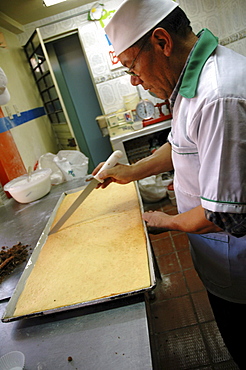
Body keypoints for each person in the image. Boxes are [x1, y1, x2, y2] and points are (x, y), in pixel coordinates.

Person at [93, 0, 246, 367]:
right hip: (219, 261)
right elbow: (181, 145)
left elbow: (226, 215)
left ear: (162, 41)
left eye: (132, 67)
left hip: (239, 269)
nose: (134, 80)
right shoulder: (191, 81)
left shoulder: (217, 95)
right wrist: (131, 172)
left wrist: (167, 221)